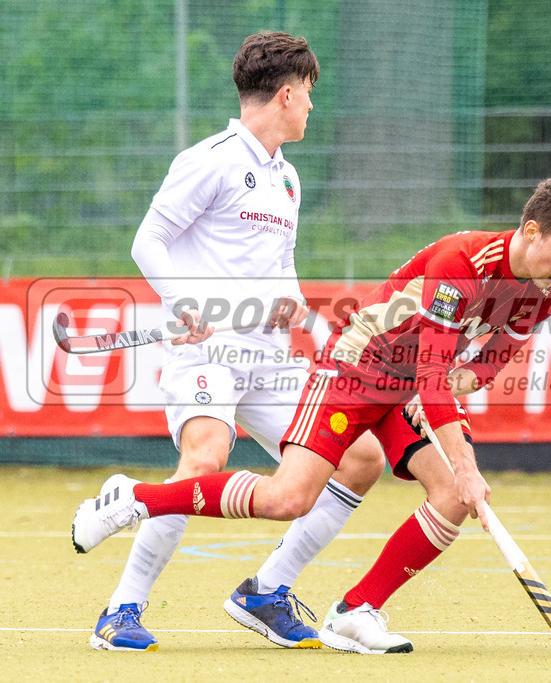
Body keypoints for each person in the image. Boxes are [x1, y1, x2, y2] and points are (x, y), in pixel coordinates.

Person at [73, 176, 551, 653]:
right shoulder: (460, 264)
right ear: (533, 230)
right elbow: (429, 373)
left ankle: (354, 612)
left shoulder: (545, 291)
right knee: (288, 499)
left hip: (411, 385)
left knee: (450, 495)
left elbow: (486, 364)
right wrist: (460, 446)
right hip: (359, 366)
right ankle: (136, 498)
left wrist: (456, 388)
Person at [80, 31, 387, 652]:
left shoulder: (288, 179)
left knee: (360, 459)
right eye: (308, 95)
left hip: (267, 360)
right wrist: (186, 303)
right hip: (205, 352)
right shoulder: (211, 159)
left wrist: (291, 300)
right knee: (204, 462)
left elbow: (280, 267)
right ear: (284, 93)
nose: (311, 107)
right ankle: (121, 611)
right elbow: (149, 243)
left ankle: (267, 591)